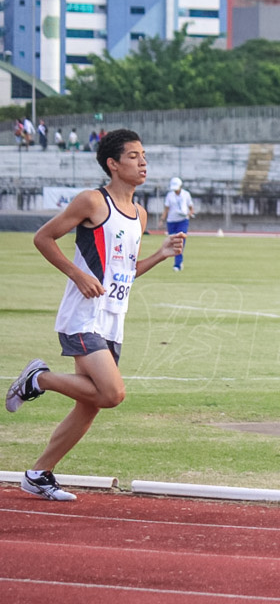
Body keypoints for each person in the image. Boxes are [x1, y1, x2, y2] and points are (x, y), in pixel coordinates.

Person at [5, 129, 185, 501]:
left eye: (144, 155)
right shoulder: (92, 201)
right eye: (134, 156)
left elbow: (125, 271)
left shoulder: (139, 214)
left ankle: (39, 473)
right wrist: (78, 274)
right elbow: (43, 237)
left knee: (89, 408)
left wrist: (162, 254)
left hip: (112, 318)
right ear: (113, 164)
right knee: (113, 393)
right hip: (83, 315)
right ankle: (39, 379)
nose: (143, 161)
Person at [160, 177, 194, 271]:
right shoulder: (169, 195)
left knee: (180, 241)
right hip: (171, 221)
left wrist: (189, 214)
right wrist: (162, 219)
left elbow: (191, 208)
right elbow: (166, 209)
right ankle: (177, 261)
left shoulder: (186, 194)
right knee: (173, 242)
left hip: (183, 220)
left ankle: (177, 264)